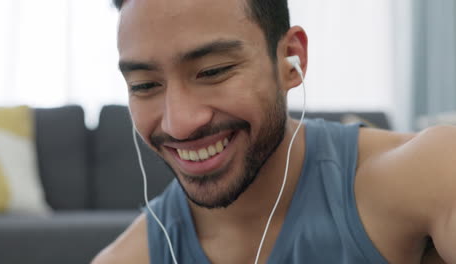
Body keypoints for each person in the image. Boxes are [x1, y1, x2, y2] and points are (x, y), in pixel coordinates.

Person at [92, 0, 455, 263]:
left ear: (290, 60)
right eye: (144, 85)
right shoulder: (130, 257)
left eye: (214, 70)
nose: (179, 124)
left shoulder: (429, 173)